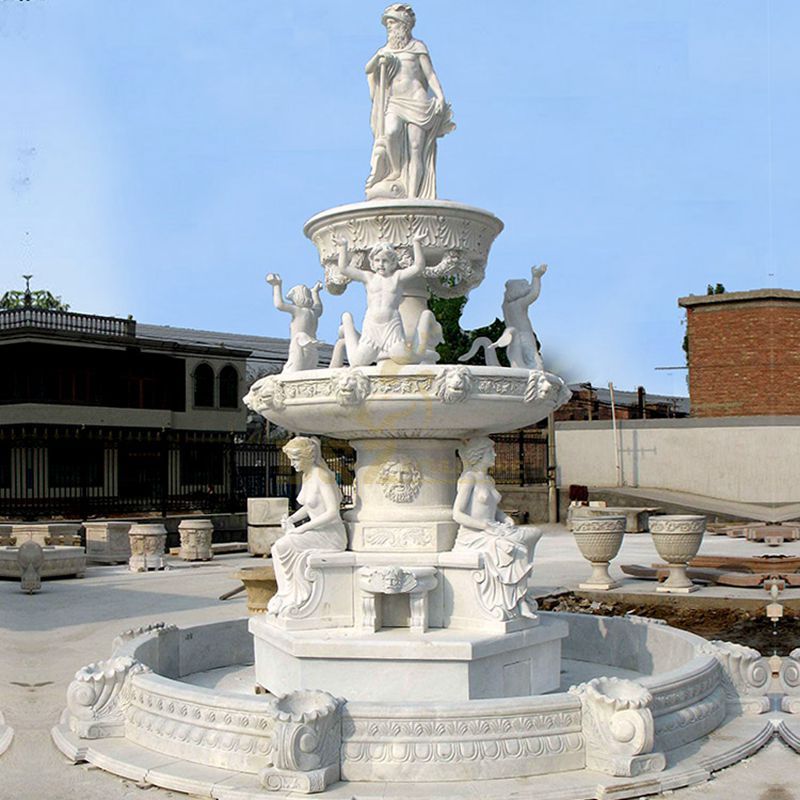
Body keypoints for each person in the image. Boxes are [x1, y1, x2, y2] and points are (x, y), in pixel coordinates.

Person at [365, 3, 454, 199]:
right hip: (395, 101)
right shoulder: (386, 50)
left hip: (417, 101)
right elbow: (368, 69)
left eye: (392, 23)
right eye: (387, 24)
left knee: (416, 149)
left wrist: (439, 96)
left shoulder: (417, 47)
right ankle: (396, 170)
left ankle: (413, 196)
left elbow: (429, 75)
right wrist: (378, 57)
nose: (389, 28)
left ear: (403, 25)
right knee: (390, 132)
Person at [452, 437, 540, 620]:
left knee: (533, 533)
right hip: (474, 535)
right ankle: (518, 600)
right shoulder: (468, 479)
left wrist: (504, 517)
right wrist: (485, 526)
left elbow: (493, 508)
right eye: (490, 451)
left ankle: (518, 595)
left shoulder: (489, 480)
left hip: (493, 528)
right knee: (513, 547)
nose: (495, 454)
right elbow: (457, 514)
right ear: (479, 454)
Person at [331, 234, 440, 366]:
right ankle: (347, 322)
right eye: (377, 260)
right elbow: (344, 268)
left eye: (385, 261)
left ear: (393, 262)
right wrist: (343, 247)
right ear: (372, 262)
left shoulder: (397, 277)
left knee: (403, 358)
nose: (381, 264)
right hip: (372, 326)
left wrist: (416, 244)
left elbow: (418, 267)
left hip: (391, 325)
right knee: (356, 362)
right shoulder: (368, 277)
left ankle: (424, 349)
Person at [268, 437, 347, 616]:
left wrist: (302, 528)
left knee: (283, 546)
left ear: (308, 457)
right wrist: (292, 519)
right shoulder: (307, 475)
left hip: (331, 536)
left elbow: (333, 512)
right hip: (318, 531)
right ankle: (285, 593)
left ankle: (296, 597)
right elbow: (310, 505)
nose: (292, 464)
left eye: (295, 459)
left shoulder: (323, 476)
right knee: (277, 548)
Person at [266, 274, 324, 373]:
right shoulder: (314, 313)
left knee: (289, 375)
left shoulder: (298, 310)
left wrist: (276, 286)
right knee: (307, 374)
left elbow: (279, 305)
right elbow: (319, 307)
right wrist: (315, 293)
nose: (292, 303)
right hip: (312, 350)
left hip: (299, 347)